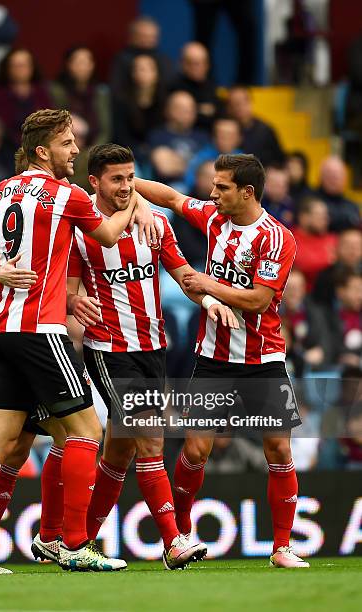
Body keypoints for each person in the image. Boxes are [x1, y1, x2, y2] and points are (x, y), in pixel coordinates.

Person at [0, 108, 154, 575]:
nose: (76, 150)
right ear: (43, 150)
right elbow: (110, 233)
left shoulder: (0, 190)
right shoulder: (67, 194)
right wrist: (134, 196)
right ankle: (74, 544)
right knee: (87, 432)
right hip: (40, 329)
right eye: (67, 143)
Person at [135, 153, 311, 568]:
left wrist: (207, 284)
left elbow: (258, 300)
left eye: (222, 187)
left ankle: (282, 547)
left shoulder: (277, 238)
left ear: (247, 192)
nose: (212, 194)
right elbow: (175, 199)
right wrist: (130, 191)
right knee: (195, 451)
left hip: (263, 357)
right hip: (213, 357)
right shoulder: (214, 218)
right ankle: (179, 535)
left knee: (279, 450)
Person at [0, 48, 52, 149]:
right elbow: (2, 127)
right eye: (15, 66)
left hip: (39, 145)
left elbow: (49, 121)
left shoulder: (41, 91)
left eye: (24, 65)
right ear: (7, 68)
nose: (20, 69)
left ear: (32, 67)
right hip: (7, 148)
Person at [50, 46, 111, 147]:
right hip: (64, 147)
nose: (83, 67)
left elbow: (105, 129)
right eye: (78, 62)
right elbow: (54, 125)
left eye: (87, 62)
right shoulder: (56, 91)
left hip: (95, 149)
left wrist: (95, 150)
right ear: (68, 64)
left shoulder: (101, 92)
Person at [112, 54, 167, 166]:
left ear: (156, 73)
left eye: (147, 69)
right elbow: (120, 136)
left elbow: (163, 132)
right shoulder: (121, 101)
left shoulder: (164, 101)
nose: (142, 73)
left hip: (156, 153)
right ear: (132, 74)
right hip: (128, 153)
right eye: (137, 69)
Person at [148, 90, 209, 187]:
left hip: (200, 189)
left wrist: (178, 163)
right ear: (169, 110)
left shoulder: (202, 136)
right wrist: (196, 168)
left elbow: (209, 168)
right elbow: (165, 167)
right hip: (169, 188)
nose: (188, 113)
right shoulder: (158, 136)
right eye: (182, 109)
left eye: (191, 109)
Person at [110, 16, 173, 96]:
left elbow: (168, 85)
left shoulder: (164, 60)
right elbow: (116, 88)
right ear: (132, 36)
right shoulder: (122, 59)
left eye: (151, 37)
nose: (147, 40)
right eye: (143, 36)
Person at [227, 86, 284, 167]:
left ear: (251, 102)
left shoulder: (265, 131)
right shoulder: (224, 128)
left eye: (244, 101)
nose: (240, 107)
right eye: (235, 103)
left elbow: (278, 159)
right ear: (229, 107)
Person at [170, 41, 220, 131]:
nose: (197, 67)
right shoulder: (174, 86)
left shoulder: (212, 85)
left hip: (209, 137)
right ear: (183, 64)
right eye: (191, 63)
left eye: (201, 63)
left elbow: (218, 114)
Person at [291, 197, 337, 290]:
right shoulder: (290, 239)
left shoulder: (332, 238)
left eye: (325, 215)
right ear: (303, 217)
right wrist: (329, 261)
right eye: (319, 215)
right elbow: (304, 264)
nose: (325, 219)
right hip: (304, 294)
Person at [184, 117, 242, 190]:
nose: (225, 139)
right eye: (221, 135)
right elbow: (189, 180)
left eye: (230, 135)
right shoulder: (201, 156)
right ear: (214, 137)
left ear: (239, 138)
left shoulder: (245, 161)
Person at [313, 228, 362, 307]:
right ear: (337, 247)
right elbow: (320, 307)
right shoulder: (325, 276)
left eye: (357, 245)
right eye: (348, 245)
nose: (353, 250)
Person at [315, 156, 360, 233]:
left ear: (345, 178)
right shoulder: (310, 200)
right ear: (321, 177)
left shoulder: (352, 206)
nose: (334, 179)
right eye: (330, 174)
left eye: (337, 175)